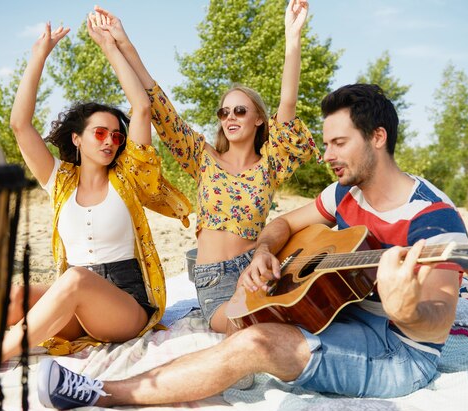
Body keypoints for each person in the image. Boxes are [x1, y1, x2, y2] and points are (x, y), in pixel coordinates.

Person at [36, 82, 468, 410]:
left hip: (398, 353)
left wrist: (407, 307)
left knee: (256, 342)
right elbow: (282, 224)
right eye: (327, 143)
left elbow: (435, 324)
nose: (325, 155)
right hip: (347, 316)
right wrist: (264, 250)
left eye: (338, 144)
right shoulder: (344, 194)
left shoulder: (433, 219)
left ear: (377, 137)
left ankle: (102, 393)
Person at [91, 0, 320, 333]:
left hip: (258, 267)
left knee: (289, 324)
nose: (230, 117)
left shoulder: (270, 164)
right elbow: (160, 106)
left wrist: (293, 36)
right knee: (252, 329)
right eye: (224, 112)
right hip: (216, 278)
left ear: (259, 119)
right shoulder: (204, 158)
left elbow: (287, 101)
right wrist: (122, 42)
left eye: (240, 111)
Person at [2, 15, 191, 361]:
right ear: (77, 138)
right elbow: (20, 125)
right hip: (77, 306)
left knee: (74, 281)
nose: (110, 141)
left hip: (125, 305)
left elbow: (143, 108)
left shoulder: (127, 178)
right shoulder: (60, 181)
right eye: (100, 133)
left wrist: (110, 46)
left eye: (116, 136)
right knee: (13, 297)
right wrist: (39, 56)